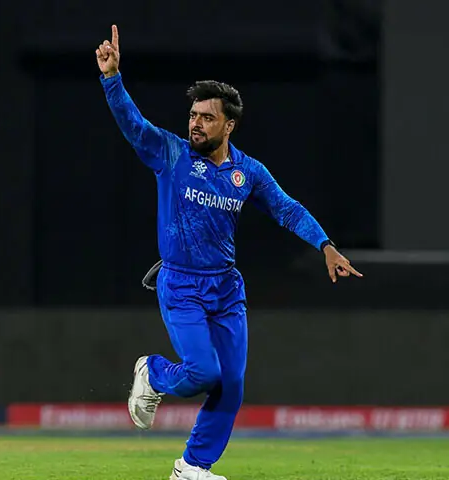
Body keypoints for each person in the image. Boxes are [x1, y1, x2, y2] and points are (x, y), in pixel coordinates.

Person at [96, 25, 362, 480]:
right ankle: (153, 372)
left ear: (229, 124)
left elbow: (286, 209)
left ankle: (192, 467)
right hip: (180, 283)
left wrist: (325, 244)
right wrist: (112, 78)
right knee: (202, 373)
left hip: (225, 288)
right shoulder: (173, 155)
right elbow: (133, 126)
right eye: (193, 115)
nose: (195, 123)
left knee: (232, 384)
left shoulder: (248, 172)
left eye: (206, 117)